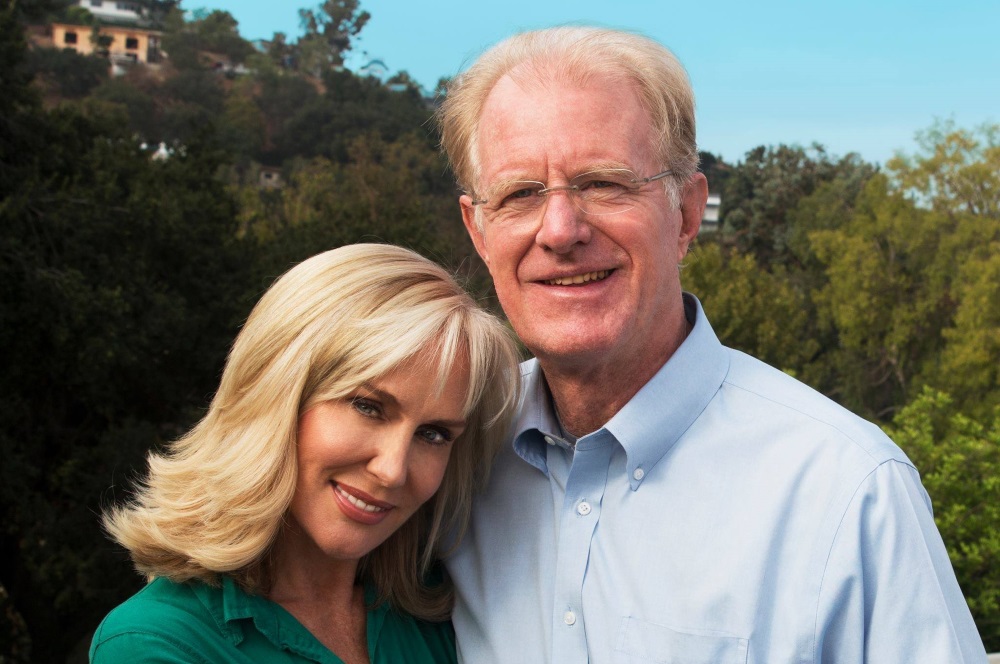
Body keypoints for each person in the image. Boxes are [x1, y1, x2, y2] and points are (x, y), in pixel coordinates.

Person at [436, 26, 988, 663]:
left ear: (687, 215)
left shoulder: (845, 489)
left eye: (605, 183)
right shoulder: (448, 456)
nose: (561, 230)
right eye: (521, 194)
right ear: (478, 229)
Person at [89, 243, 521, 663]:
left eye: (433, 434)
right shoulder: (156, 644)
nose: (392, 471)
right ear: (275, 393)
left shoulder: (445, 612)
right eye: (368, 407)